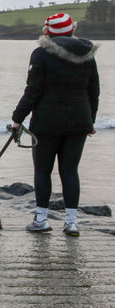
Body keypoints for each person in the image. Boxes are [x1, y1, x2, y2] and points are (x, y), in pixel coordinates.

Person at [12, 12, 99, 236]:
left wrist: (17, 118)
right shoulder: (87, 54)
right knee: (70, 170)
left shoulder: (41, 53)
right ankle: (71, 222)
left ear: (47, 32)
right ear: (72, 30)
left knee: (43, 170)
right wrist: (91, 121)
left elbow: (33, 89)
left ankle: (42, 219)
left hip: (46, 122)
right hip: (79, 120)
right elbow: (93, 92)